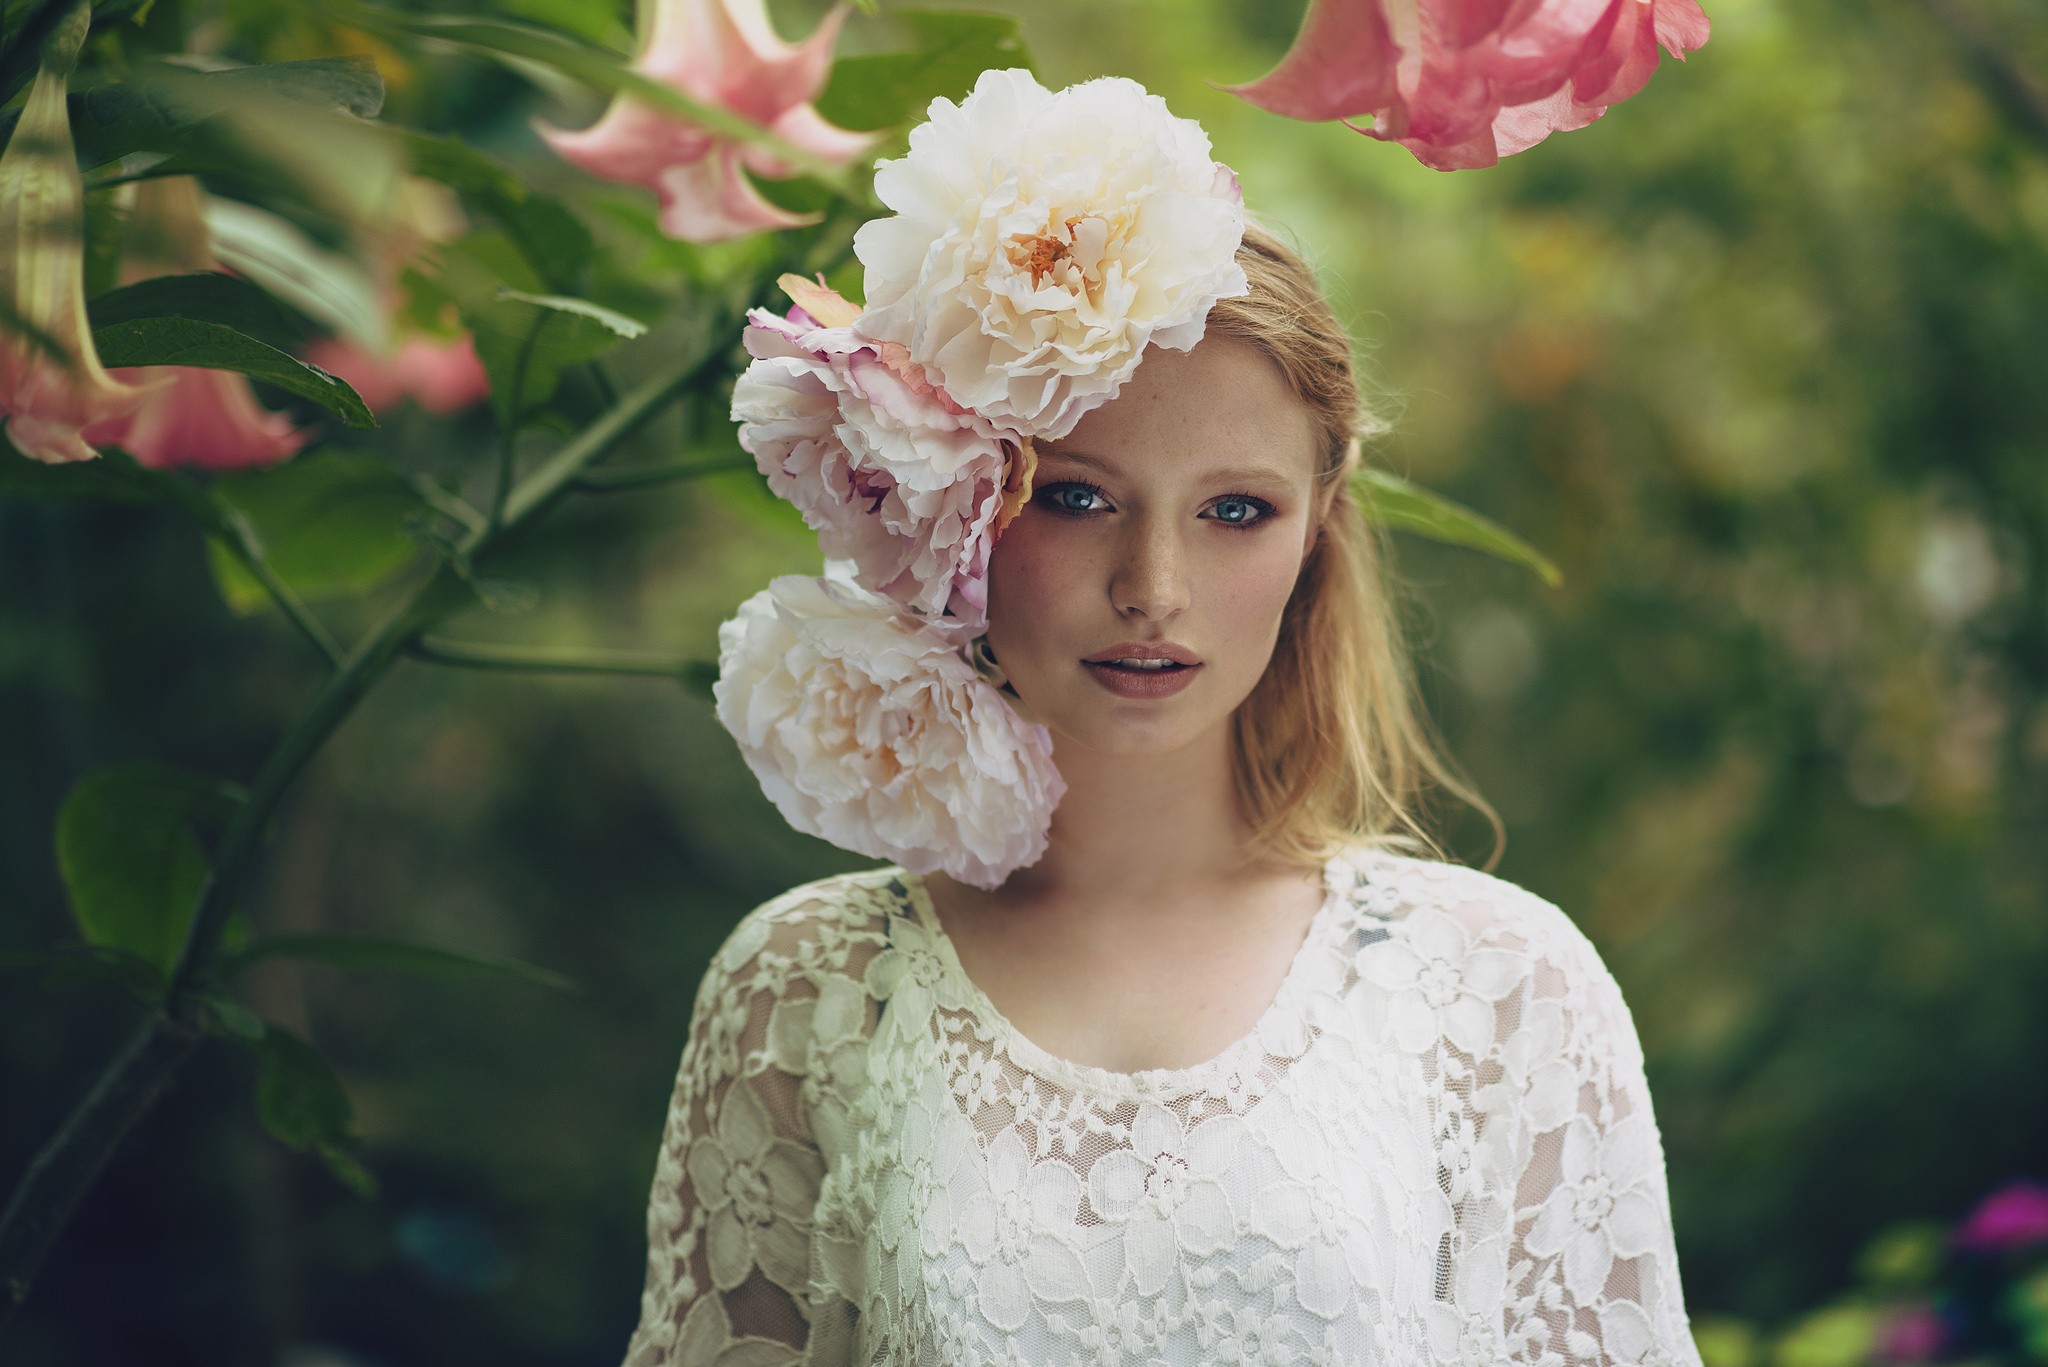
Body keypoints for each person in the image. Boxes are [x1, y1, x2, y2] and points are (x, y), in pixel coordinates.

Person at [625, 70, 1703, 1367]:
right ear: (956, 505)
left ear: (1316, 535)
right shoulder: (801, 992)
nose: (1155, 589)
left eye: (1236, 510)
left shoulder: (1500, 989)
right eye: (1079, 499)